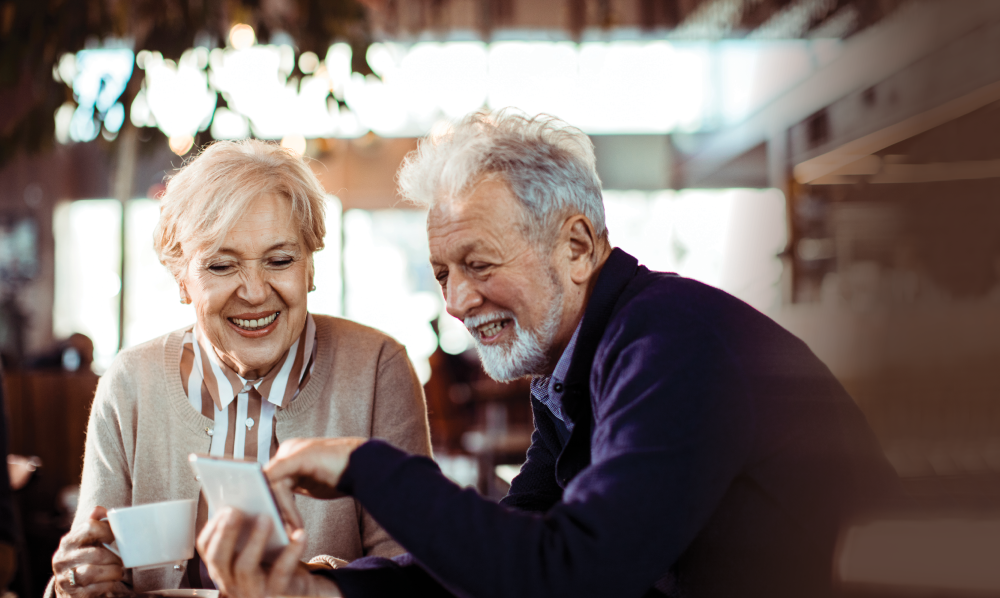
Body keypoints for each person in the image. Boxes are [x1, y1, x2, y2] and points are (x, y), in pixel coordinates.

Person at [199, 111, 904, 598]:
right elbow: (499, 555)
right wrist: (318, 587)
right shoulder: (574, 368)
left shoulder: (674, 345)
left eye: (478, 264)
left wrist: (365, 466)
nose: (457, 302)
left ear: (576, 247)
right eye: (444, 272)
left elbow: (569, 578)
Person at [48, 140, 432, 598]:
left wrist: (313, 585)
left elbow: (415, 576)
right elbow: (91, 567)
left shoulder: (376, 370)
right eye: (221, 265)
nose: (253, 292)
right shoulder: (130, 382)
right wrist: (77, 581)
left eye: (280, 260)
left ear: (310, 266)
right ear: (182, 280)